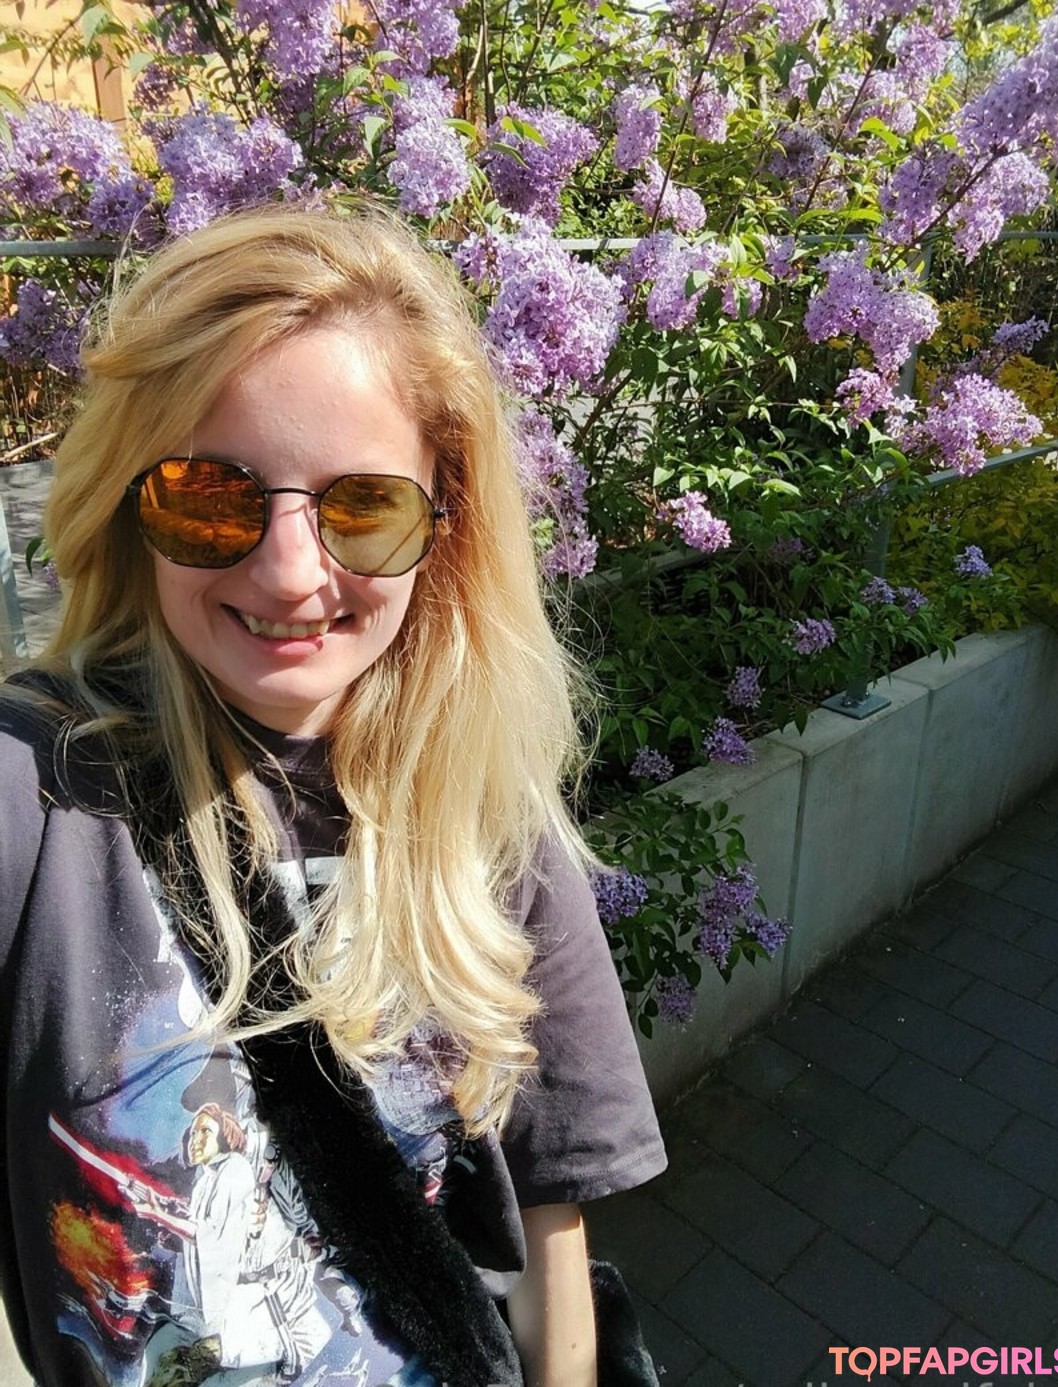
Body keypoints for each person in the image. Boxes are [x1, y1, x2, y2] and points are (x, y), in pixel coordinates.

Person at [0, 204, 666, 1387]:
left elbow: (550, 1226)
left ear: (443, 525)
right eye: (210, 495)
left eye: (363, 506)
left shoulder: (485, 819)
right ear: (130, 503)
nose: (292, 572)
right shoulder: (42, 793)